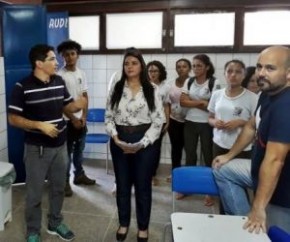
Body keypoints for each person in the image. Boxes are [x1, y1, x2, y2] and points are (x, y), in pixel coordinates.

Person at [8, 44, 87, 242]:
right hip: (36, 149)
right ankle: (33, 230)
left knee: (58, 188)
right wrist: (39, 125)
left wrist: (77, 105)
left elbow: (66, 105)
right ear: (39, 63)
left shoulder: (59, 81)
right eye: (52, 59)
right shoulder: (22, 86)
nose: (57, 62)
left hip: (60, 146)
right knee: (34, 194)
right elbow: (13, 118)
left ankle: (55, 222)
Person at [212, 46, 290, 234]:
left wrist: (258, 206)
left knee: (275, 234)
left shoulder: (285, 106)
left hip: (282, 188)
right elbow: (250, 126)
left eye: (270, 68)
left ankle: (254, 220)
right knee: (223, 170)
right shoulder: (267, 94)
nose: (261, 74)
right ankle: (244, 222)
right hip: (259, 171)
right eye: (259, 67)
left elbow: (275, 161)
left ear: (288, 73)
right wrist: (229, 155)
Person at [105, 47, 164, 242]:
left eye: (134, 63)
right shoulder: (116, 87)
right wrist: (115, 138)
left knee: (142, 185)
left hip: (145, 141)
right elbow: (108, 117)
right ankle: (123, 223)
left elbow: (158, 121)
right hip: (119, 139)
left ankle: (143, 227)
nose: (129, 66)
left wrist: (142, 143)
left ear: (141, 65)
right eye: (126, 63)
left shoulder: (151, 89)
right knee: (122, 184)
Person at [180, 54, 220, 206]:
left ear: (207, 67)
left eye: (199, 66)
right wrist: (201, 103)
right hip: (190, 122)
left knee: (208, 156)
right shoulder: (189, 81)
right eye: (194, 65)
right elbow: (182, 102)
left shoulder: (214, 82)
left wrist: (193, 102)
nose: (196, 68)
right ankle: (187, 188)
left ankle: (209, 192)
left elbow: (214, 106)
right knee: (190, 155)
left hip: (207, 124)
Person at [57, 40, 95, 197]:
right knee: (66, 155)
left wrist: (84, 117)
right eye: (66, 54)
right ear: (62, 57)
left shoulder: (82, 73)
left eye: (73, 53)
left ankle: (79, 175)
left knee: (79, 151)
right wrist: (73, 118)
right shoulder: (59, 76)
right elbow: (60, 103)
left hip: (81, 121)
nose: (70, 57)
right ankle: (65, 182)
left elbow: (85, 96)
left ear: (77, 55)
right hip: (67, 121)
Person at [166, 58, 191, 188]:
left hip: (190, 121)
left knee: (189, 149)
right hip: (174, 120)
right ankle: (175, 173)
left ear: (189, 68)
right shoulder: (170, 84)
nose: (181, 69)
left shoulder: (193, 83)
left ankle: (189, 175)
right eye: (179, 66)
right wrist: (168, 120)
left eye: (184, 66)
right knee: (176, 148)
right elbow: (168, 103)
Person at [147, 60, 170, 186]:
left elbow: (166, 105)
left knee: (155, 150)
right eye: (150, 71)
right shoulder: (144, 85)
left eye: (155, 71)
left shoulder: (165, 87)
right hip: (145, 122)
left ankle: (152, 175)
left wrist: (167, 122)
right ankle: (143, 174)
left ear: (160, 72)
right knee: (145, 149)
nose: (152, 73)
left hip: (159, 122)